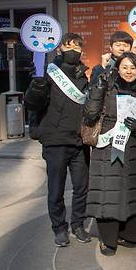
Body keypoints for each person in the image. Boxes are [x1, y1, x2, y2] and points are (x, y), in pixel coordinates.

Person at [24, 33, 91, 246]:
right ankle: (59, 228)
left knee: (82, 187)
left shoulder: (84, 75)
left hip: (79, 141)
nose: (74, 50)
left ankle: (78, 224)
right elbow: (33, 103)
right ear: (60, 48)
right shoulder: (48, 73)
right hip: (55, 140)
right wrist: (37, 84)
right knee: (56, 189)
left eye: (77, 47)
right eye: (69, 45)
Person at [83, 52, 136, 256]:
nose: (129, 72)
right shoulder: (107, 86)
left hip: (132, 146)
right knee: (108, 190)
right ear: (117, 69)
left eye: (133, 68)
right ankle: (108, 240)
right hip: (107, 144)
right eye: (125, 67)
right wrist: (99, 86)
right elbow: (90, 113)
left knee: (130, 188)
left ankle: (129, 234)